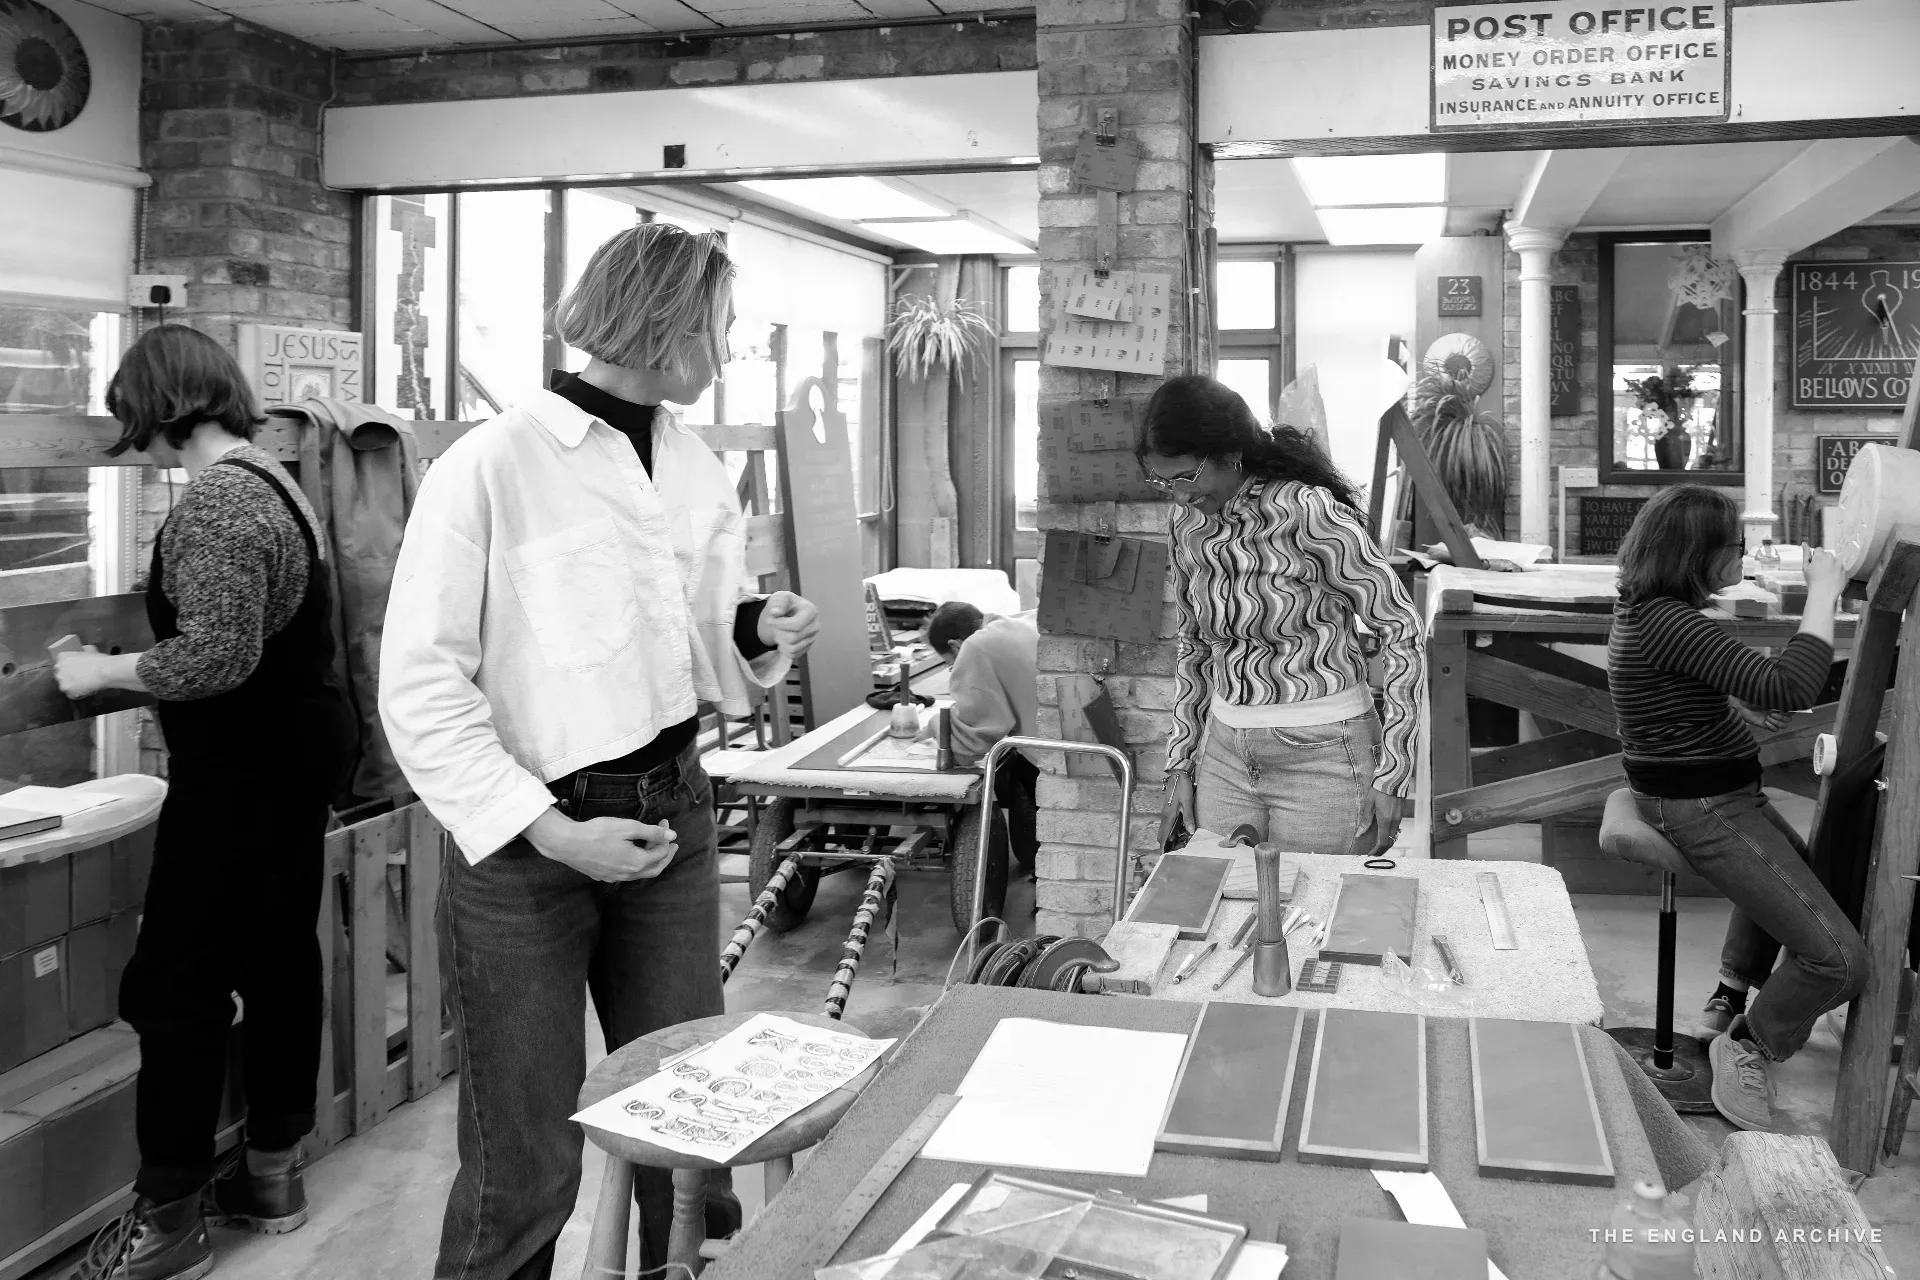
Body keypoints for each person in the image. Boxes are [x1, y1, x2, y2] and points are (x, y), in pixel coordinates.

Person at [379, 223, 820, 1280]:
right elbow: (421, 684)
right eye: (717, 328)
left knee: (687, 1124)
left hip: (674, 811)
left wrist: (756, 628)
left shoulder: (694, 464)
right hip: (531, 839)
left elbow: (691, 632)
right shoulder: (493, 466)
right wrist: (552, 830)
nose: (724, 350)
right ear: (667, 327)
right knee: (523, 1161)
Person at [56, 325, 355, 1280]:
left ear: (162, 408)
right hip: (290, 764)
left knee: (175, 984)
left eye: (133, 420)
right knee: (276, 961)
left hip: (242, 774)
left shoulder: (223, 505)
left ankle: (168, 1217)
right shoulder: (276, 481)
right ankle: (272, 1173)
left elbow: (216, 658)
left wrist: (98, 669)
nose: (131, 442)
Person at [1608, 485, 1863, 1132]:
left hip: (1712, 792)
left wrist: (1727, 700)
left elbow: (1677, 690)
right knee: (1840, 960)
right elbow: (1794, 687)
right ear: (1698, 555)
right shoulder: (1670, 621)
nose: (1745, 556)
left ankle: (1728, 994)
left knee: (1799, 882)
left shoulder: (1650, 609)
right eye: (1736, 546)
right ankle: (1749, 1044)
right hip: (1700, 805)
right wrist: (1825, 591)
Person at [1138, 375, 1424, 858]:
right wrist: (1180, 764)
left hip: (1325, 753)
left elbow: (1399, 628)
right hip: (1225, 755)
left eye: (1187, 477)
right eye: (1162, 481)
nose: (1179, 495)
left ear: (1231, 453)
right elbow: (1196, 646)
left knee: (1314, 914)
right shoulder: (1186, 525)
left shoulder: (1307, 511)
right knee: (1226, 907)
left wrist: (1394, 770)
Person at [923, 602, 1040, 868]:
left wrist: (935, 726)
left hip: (1056, 756)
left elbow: (974, 738)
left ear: (954, 646)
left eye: (951, 664)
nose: (954, 668)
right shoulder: (1021, 620)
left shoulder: (976, 646)